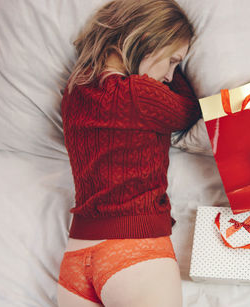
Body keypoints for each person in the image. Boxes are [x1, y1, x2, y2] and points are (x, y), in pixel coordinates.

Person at [56, 0, 201, 306]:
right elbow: (189, 110)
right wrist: (183, 76)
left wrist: (164, 62)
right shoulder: (139, 94)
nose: (170, 76)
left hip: (76, 259)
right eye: (173, 60)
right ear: (147, 41)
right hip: (134, 250)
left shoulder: (73, 91)